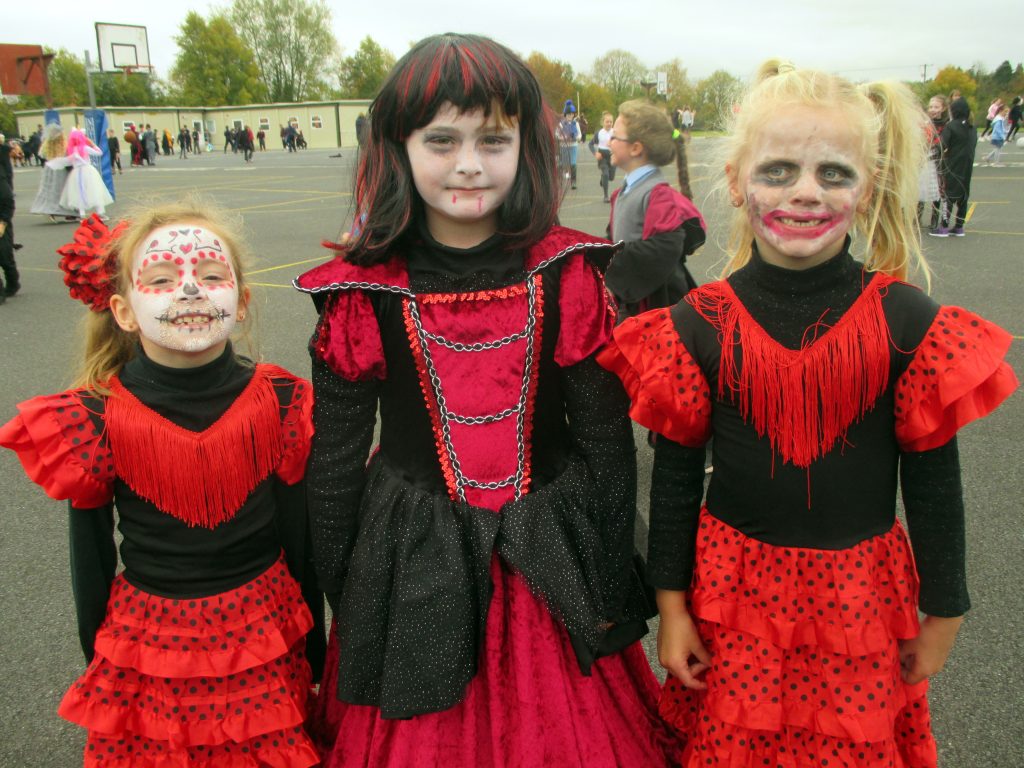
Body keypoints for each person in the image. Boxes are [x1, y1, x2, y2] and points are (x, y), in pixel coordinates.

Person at [597, 60, 1018, 768]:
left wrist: (945, 611)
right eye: (779, 171)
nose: (804, 193)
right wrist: (671, 608)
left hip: (860, 601)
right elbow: (673, 484)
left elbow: (934, 483)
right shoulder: (697, 325)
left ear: (869, 186)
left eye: (833, 174)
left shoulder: (906, 320)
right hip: (736, 600)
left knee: (849, 747)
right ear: (737, 182)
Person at [295, 32, 679, 768]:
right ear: (396, 148)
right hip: (412, 554)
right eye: (441, 140)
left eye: (492, 140)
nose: (469, 163)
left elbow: (604, 441)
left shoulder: (567, 274)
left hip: (549, 559)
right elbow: (335, 465)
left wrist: (604, 573)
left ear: (525, 149)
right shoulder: (361, 292)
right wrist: (350, 591)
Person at [0, 201, 326, 767]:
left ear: (242, 302)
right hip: (152, 639)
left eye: (212, 275)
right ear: (124, 312)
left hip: (264, 629)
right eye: (163, 279)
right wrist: (100, 657)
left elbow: (300, 537)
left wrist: (315, 646)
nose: (192, 291)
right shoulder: (91, 417)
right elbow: (92, 558)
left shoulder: (281, 400)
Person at [604, 99, 705, 322]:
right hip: (629, 305)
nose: (608, 142)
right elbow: (612, 239)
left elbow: (664, 247)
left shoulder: (658, 196)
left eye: (615, 137)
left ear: (636, 148)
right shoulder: (623, 192)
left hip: (651, 311)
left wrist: (612, 273)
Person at [931, 97, 977, 237]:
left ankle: (944, 227)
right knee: (963, 195)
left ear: (954, 111)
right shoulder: (972, 127)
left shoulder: (951, 126)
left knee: (947, 195)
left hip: (952, 164)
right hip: (967, 165)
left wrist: (931, 153)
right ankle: (959, 227)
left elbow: (941, 145)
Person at [48, 128, 114, 219]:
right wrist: (92, 144)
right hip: (88, 171)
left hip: (76, 172)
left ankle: (82, 214)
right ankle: (100, 212)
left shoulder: (71, 150)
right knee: (95, 190)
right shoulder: (85, 148)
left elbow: (69, 161)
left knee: (79, 192)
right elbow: (99, 153)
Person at [30, 124, 78, 221]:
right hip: (61, 171)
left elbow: (42, 156)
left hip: (49, 170)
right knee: (64, 190)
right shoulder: (64, 146)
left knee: (49, 189)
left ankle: (49, 209)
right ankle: (69, 212)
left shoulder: (46, 146)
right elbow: (69, 158)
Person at [918, 97, 945, 229]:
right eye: (931, 107)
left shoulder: (945, 124)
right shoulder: (925, 123)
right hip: (925, 160)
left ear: (943, 108)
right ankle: (917, 219)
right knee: (920, 190)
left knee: (936, 192)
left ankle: (935, 219)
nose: (933, 110)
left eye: (936, 107)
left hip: (937, 161)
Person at [588, 111, 616, 202]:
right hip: (602, 156)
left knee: (611, 177)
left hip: (612, 156)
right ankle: (606, 196)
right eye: (607, 122)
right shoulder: (599, 133)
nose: (609, 124)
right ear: (602, 122)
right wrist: (595, 153)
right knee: (606, 174)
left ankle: (602, 179)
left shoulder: (615, 132)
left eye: (611, 122)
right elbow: (590, 144)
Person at [0, 171, 18, 304]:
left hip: (1, 222)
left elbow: (8, 201)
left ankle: (13, 284)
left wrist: (3, 222)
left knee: (5, 258)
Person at [557, 99, 582, 189]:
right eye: (568, 114)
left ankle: (573, 182)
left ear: (573, 114)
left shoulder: (576, 124)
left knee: (573, 164)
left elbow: (579, 135)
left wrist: (576, 138)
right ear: (565, 115)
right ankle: (561, 180)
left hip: (573, 146)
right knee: (563, 164)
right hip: (564, 146)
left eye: (571, 114)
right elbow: (556, 134)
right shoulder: (561, 124)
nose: (570, 116)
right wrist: (563, 138)